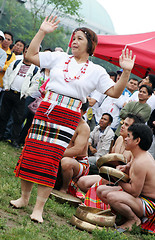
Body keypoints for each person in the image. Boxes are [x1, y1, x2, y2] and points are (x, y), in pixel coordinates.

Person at [10, 15, 136, 223]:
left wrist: (126, 72)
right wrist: (42, 31)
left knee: (50, 159)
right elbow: (31, 55)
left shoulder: (97, 70)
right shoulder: (60, 58)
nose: (74, 41)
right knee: (32, 153)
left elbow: (114, 92)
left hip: (68, 116)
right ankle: (24, 199)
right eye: (73, 38)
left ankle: (39, 208)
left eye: (79, 38)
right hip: (46, 109)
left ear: (90, 45)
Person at [97, 123, 155, 231]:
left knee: (112, 197)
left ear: (137, 141)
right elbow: (131, 165)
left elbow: (134, 192)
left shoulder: (141, 162)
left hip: (149, 204)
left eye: (129, 136)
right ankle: (124, 217)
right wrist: (126, 167)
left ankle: (134, 220)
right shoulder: (138, 154)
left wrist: (116, 178)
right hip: (139, 198)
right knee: (101, 190)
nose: (126, 139)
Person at [77, 113, 144, 193]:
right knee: (81, 182)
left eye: (126, 125)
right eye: (123, 123)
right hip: (110, 177)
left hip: (122, 184)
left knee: (98, 189)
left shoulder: (135, 148)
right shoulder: (119, 139)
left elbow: (131, 178)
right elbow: (109, 161)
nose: (122, 126)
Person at [0, 46, 40, 147]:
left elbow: (35, 85)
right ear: (24, 52)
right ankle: (1, 135)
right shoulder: (16, 63)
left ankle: (13, 139)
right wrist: (6, 86)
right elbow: (7, 75)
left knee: (18, 119)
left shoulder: (35, 69)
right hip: (9, 92)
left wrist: (26, 93)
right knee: (3, 115)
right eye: (26, 51)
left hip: (21, 97)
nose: (27, 54)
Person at [60, 101, 90, 194]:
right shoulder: (64, 119)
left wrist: (57, 153)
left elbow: (77, 150)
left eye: (78, 109)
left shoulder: (84, 127)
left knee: (66, 162)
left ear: (84, 112)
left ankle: (64, 189)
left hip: (78, 162)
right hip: (61, 153)